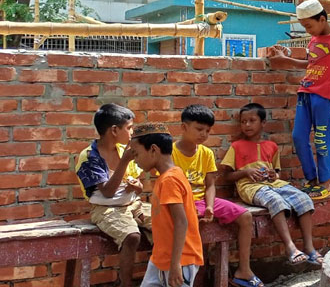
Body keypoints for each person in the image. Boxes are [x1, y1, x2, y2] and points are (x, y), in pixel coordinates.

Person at [267, 0, 330, 199]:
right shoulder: (314, 41)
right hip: (304, 94)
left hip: (324, 97)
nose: (308, 31)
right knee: (298, 136)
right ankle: (311, 180)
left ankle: (325, 181)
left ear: (322, 19)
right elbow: (310, 65)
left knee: (322, 139)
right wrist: (284, 59)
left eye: (309, 26)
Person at [221, 103, 322, 265]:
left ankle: (309, 248)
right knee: (275, 201)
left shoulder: (272, 146)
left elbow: (277, 173)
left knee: (303, 198)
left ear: (263, 123)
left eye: (252, 120)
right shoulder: (236, 146)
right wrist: (246, 172)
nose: (246, 125)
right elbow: (226, 175)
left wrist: (272, 175)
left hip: (274, 184)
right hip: (250, 187)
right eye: (243, 121)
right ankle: (290, 247)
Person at [172, 105, 261, 287]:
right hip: (181, 202)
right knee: (189, 228)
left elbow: (210, 185)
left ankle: (244, 269)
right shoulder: (171, 153)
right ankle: (183, 278)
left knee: (245, 216)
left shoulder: (206, 153)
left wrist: (210, 206)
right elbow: (168, 189)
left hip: (203, 200)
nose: (204, 134)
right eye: (199, 129)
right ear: (183, 127)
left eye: (207, 130)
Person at [74, 103, 149, 287]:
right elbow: (107, 193)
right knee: (132, 237)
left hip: (133, 204)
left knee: (167, 221)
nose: (132, 133)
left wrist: (137, 187)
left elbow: (139, 184)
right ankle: (125, 283)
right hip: (105, 209)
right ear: (114, 130)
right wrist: (123, 162)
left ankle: (160, 279)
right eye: (129, 128)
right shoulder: (89, 156)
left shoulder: (124, 150)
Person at [130, 123, 204, 287]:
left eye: (136, 154)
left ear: (153, 150)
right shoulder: (166, 177)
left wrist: (175, 264)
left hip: (179, 260)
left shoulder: (170, 179)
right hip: (161, 259)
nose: (135, 160)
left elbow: (181, 221)